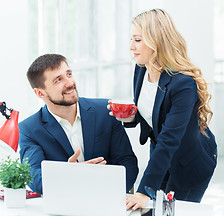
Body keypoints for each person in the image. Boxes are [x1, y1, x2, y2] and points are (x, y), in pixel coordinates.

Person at [109, 9, 217, 210]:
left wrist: (143, 191)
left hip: (189, 161)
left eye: (138, 40)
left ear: (156, 41)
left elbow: (169, 139)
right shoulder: (141, 68)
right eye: (131, 39)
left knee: (171, 211)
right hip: (161, 154)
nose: (131, 46)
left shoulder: (183, 85)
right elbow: (153, 114)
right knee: (151, 210)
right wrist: (130, 118)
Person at [19, 54, 139, 194]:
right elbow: (34, 178)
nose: (69, 83)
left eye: (69, 74)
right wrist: (70, 174)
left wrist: (105, 195)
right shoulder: (29, 129)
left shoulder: (105, 111)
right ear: (40, 93)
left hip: (108, 199)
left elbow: (128, 163)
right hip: (65, 206)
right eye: (58, 80)